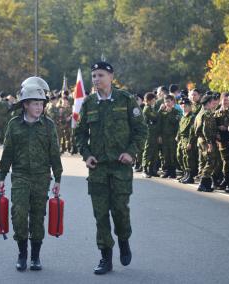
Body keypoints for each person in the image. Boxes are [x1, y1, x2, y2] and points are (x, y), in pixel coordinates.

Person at [75, 61, 147, 275]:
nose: (96, 79)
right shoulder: (88, 103)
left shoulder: (125, 100)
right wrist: (86, 155)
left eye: (100, 75)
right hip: (97, 169)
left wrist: (131, 152)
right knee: (100, 215)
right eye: (94, 76)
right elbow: (79, 134)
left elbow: (141, 130)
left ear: (111, 77)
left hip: (120, 169)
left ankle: (123, 239)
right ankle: (105, 257)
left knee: (120, 211)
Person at [0, 77, 62, 271]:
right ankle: (22, 254)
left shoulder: (48, 125)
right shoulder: (14, 125)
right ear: (25, 105)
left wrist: (58, 178)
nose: (39, 107)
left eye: (41, 104)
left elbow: (54, 153)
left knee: (37, 216)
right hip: (20, 176)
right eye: (35, 103)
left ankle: (35, 257)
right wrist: (2, 176)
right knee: (18, 214)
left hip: (42, 177)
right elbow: (7, 152)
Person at [194, 95, 219, 192]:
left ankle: (206, 184)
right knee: (211, 161)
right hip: (206, 140)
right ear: (208, 103)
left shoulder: (199, 113)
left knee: (203, 161)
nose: (213, 104)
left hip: (200, 140)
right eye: (212, 102)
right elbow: (206, 129)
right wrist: (210, 142)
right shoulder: (207, 113)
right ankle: (203, 183)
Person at [158, 94, 181, 178]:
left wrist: (170, 112)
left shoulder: (176, 111)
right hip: (164, 136)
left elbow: (175, 122)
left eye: (168, 101)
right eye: (165, 101)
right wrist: (159, 135)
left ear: (173, 102)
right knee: (165, 154)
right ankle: (167, 170)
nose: (167, 103)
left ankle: (173, 171)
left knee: (172, 154)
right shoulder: (162, 111)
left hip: (172, 136)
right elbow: (158, 122)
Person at [176, 98, 196, 184]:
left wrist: (190, 142)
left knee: (189, 158)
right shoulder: (183, 116)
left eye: (186, 106)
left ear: (190, 106)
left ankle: (190, 176)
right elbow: (180, 128)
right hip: (182, 140)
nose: (184, 108)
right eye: (182, 106)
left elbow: (192, 131)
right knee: (181, 156)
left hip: (188, 139)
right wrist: (177, 136)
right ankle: (186, 173)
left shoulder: (192, 117)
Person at [142, 92, 160, 178]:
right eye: (153, 100)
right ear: (148, 101)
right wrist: (160, 110)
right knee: (148, 150)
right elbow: (155, 117)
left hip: (154, 133)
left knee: (155, 151)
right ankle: (144, 169)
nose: (154, 102)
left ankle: (152, 169)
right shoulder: (147, 109)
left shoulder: (152, 108)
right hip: (149, 133)